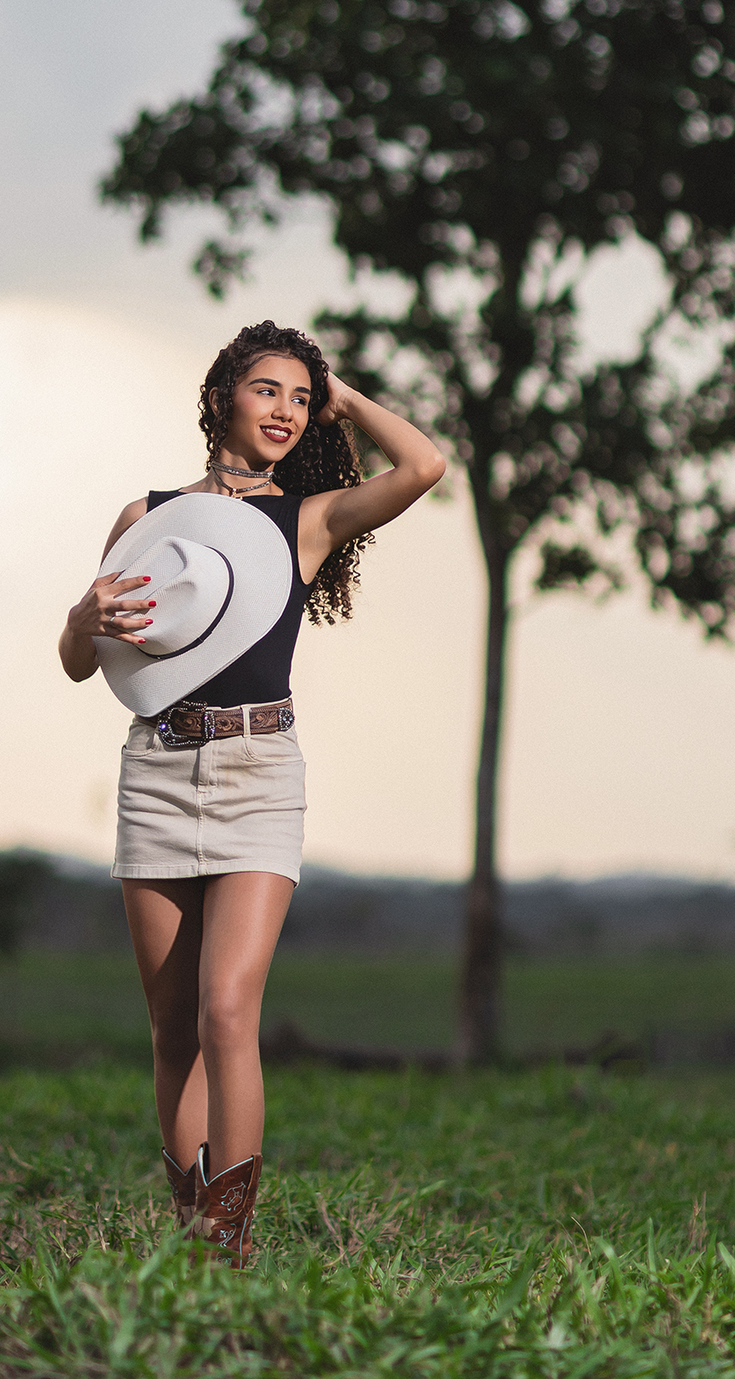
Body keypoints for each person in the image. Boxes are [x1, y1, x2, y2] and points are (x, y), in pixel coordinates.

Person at [58, 320, 445, 1266]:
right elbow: (80, 663)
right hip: (155, 768)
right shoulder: (145, 516)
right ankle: (189, 1230)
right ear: (224, 393)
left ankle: (228, 1244)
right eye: (269, 390)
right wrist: (81, 615)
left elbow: (426, 465)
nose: (287, 411)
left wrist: (343, 394)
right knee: (173, 1025)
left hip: (258, 771)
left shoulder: (308, 516)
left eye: (300, 399)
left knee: (229, 1010)